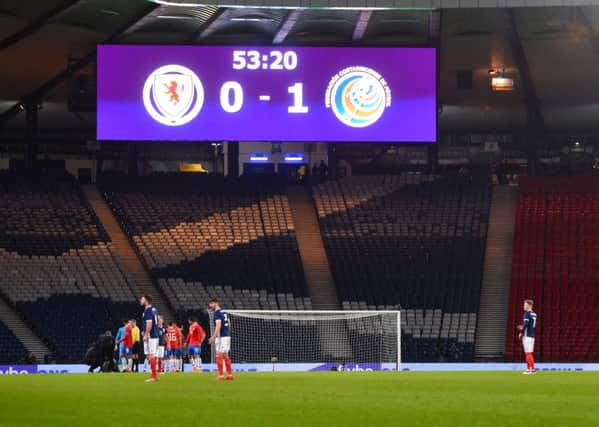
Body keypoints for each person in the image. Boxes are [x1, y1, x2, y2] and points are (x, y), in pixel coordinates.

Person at [208, 299, 233, 381]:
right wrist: (227, 332)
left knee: (219, 355)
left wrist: (213, 336)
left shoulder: (217, 313)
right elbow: (229, 323)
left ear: (216, 303)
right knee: (226, 355)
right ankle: (229, 374)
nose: (210, 306)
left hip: (221, 337)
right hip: (227, 336)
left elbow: (218, 325)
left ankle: (221, 375)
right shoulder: (224, 312)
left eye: (211, 304)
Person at [140, 294, 160, 382]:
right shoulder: (154, 309)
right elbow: (158, 321)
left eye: (142, 299)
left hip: (151, 336)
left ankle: (154, 377)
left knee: (151, 355)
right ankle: (153, 374)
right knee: (152, 355)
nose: (140, 300)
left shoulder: (148, 310)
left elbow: (150, 324)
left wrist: (145, 334)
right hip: (155, 334)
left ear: (146, 300)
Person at [518, 299, 537, 375]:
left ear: (529, 305)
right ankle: (531, 369)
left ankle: (530, 369)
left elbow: (526, 324)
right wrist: (523, 327)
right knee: (529, 353)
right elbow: (530, 325)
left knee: (528, 353)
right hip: (532, 335)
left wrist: (521, 332)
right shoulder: (534, 314)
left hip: (527, 335)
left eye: (525, 305)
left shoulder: (527, 314)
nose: (524, 306)